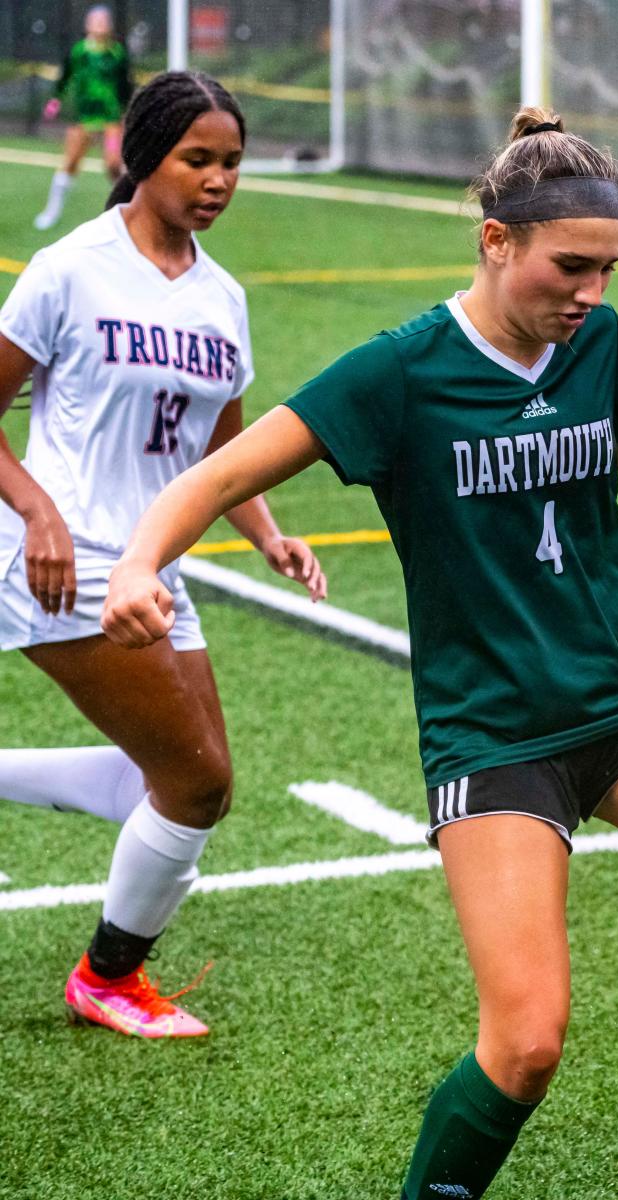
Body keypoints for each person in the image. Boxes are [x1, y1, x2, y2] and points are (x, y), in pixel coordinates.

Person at [102, 108, 618, 1198]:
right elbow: (214, 479)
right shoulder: (400, 373)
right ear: (496, 241)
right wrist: (139, 566)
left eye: (609, 268)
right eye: (570, 266)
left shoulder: (599, 343)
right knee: (526, 1045)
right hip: (494, 738)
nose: (591, 293)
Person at [0, 70, 323, 1038]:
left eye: (232, 163)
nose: (219, 180)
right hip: (61, 563)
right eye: (199, 159)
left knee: (184, 777)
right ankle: (107, 978)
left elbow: (224, 453)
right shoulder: (71, 267)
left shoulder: (223, 298)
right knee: (195, 781)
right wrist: (38, 514)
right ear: (144, 157)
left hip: (155, 567)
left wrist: (270, 536)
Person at [33, 6, 132, 231]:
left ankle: (125, 214)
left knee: (114, 164)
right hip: (83, 118)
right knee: (70, 163)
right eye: (96, 21)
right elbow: (64, 78)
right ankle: (52, 211)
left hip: (110, 119)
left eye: (104, 20)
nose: (100, 24)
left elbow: (126, 85)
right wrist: (54, 102)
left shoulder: (117, 53)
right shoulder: (78, 52)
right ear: (87, 25)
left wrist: (127, 111)